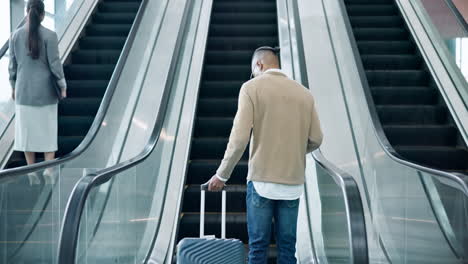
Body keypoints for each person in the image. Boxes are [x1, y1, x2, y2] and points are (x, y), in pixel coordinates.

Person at [207, 46, 323, 263]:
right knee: (288, 249)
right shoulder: (304, 94)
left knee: (258, 248)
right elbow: (316, 139)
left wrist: (222, 175)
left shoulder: (251, 88)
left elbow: (239, 138)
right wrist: (293, 150)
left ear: (259, 65)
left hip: (261, 181)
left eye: (253, 70)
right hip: (292, 184)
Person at [8, 0, 67, 183]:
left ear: (27, 12)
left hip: (23, 91)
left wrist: (13, 86)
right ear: (42, 14)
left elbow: (12, 66)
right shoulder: (50, 35)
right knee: (47, 131)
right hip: (46, 92)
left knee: (26, 132)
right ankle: (49, 169)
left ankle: (31, 170)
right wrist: (62, 85)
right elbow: (55, 65)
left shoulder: (15, 36)